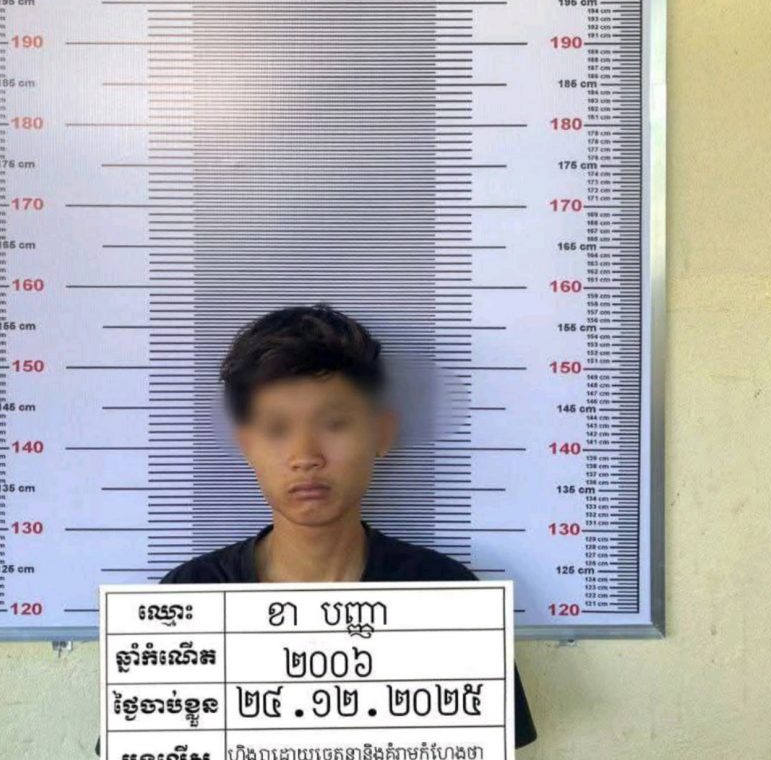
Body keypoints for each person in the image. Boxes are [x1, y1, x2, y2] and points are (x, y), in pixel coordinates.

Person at [97, 304, 538, 755]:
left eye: (334, 424)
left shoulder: (445, 595)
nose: (305, 456)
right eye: (277, 429)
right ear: (247, 446)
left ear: (381, 434)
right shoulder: (187, 599)